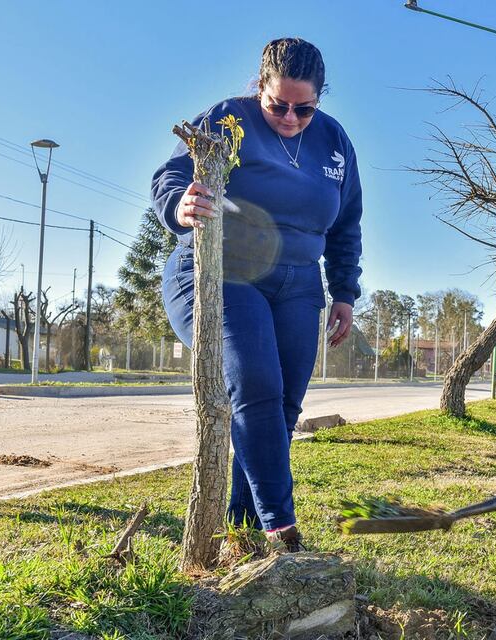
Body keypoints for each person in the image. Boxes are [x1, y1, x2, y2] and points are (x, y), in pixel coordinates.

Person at [151, 37, 362, 551]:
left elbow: (347, 223)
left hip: (298, 280)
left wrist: (344, 292)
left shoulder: (334, 142)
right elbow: (172, 175)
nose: (290, 117)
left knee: (284, 405)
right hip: (225, 270)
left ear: (320, 99)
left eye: (304, 108)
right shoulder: (228, 119)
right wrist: (182, 203)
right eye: (278, 105)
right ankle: (282, 527)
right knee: (256, 385)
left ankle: (242, 528)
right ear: (259, 88)